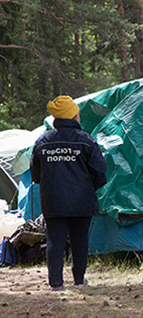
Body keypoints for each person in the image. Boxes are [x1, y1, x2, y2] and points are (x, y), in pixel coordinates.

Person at [31, 96, 107, 291]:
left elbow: (36, 174)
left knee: (54, 241)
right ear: (74, 116)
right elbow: (100, 172)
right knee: (79, 240)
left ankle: (56, 283)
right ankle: (79, 279)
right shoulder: (86, 141)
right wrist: (89, 188)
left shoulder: (42, 142)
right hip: (82, 201)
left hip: (53, 200)